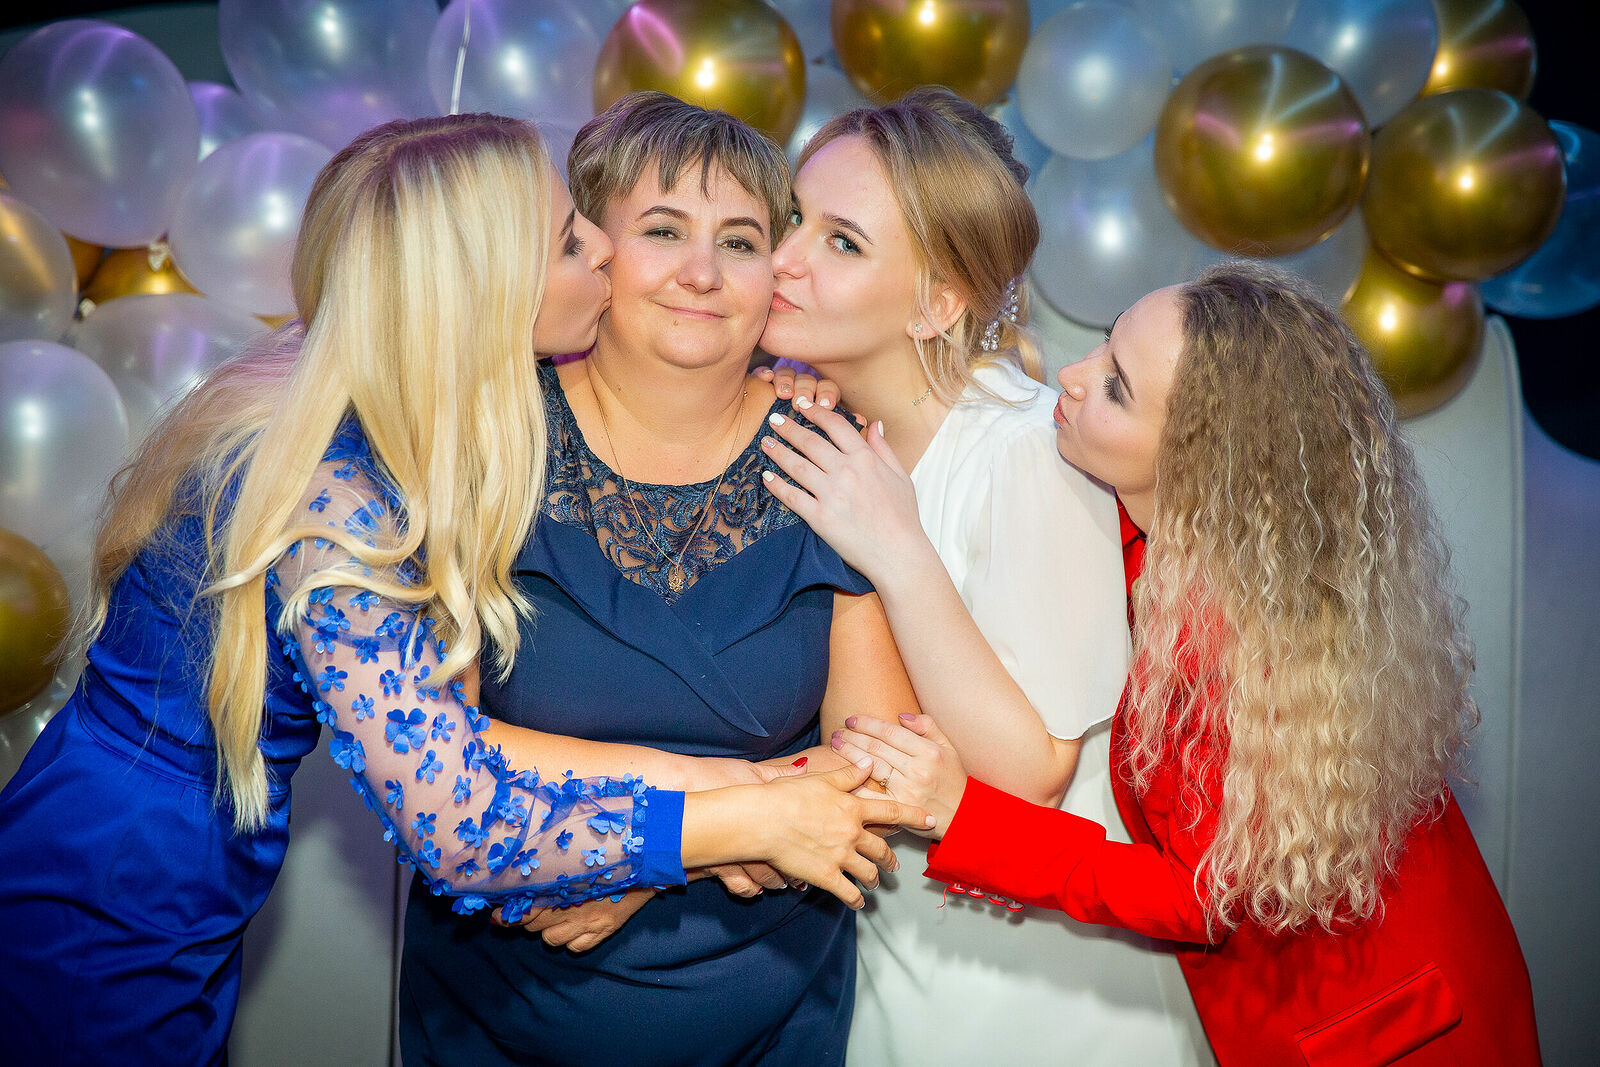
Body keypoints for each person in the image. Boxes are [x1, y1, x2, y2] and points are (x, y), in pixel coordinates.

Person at [0, 113, 927, 1066]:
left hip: (173, 878)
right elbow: (457, 815)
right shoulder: (338, 483)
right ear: (485, 282)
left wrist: (727, 808)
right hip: (110, 887)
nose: (604, 251)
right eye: (570, 241)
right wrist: (742, 809)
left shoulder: (374, 416)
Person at [798, 262, 1543, 1064]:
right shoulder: (1183, 536)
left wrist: (969, 817)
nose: (1073, 378)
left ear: (1197, 464)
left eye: (1116, 387)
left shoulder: (1244, 642)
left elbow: (1196, 895)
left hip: (1393, 1029)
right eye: (1105, 344)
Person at [395, 92, 926, 1067]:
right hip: (496, 1009)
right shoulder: (486, 438)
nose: (702, 272)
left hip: (770, 1015)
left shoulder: (828, 451)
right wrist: (717, 823)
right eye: (664, 230)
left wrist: (652, 858)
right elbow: (440, 750)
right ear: (595, 250)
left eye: (740, 240)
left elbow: (879, 761)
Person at [750, 87, 1212, 1064]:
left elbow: (1028, 772)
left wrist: (898, 546)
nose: (782, 257)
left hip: (1040, 994)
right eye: (793, 215)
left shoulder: (1031, 451)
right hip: (892, 951)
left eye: (841, 242)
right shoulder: (817, 428)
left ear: (937, 304)